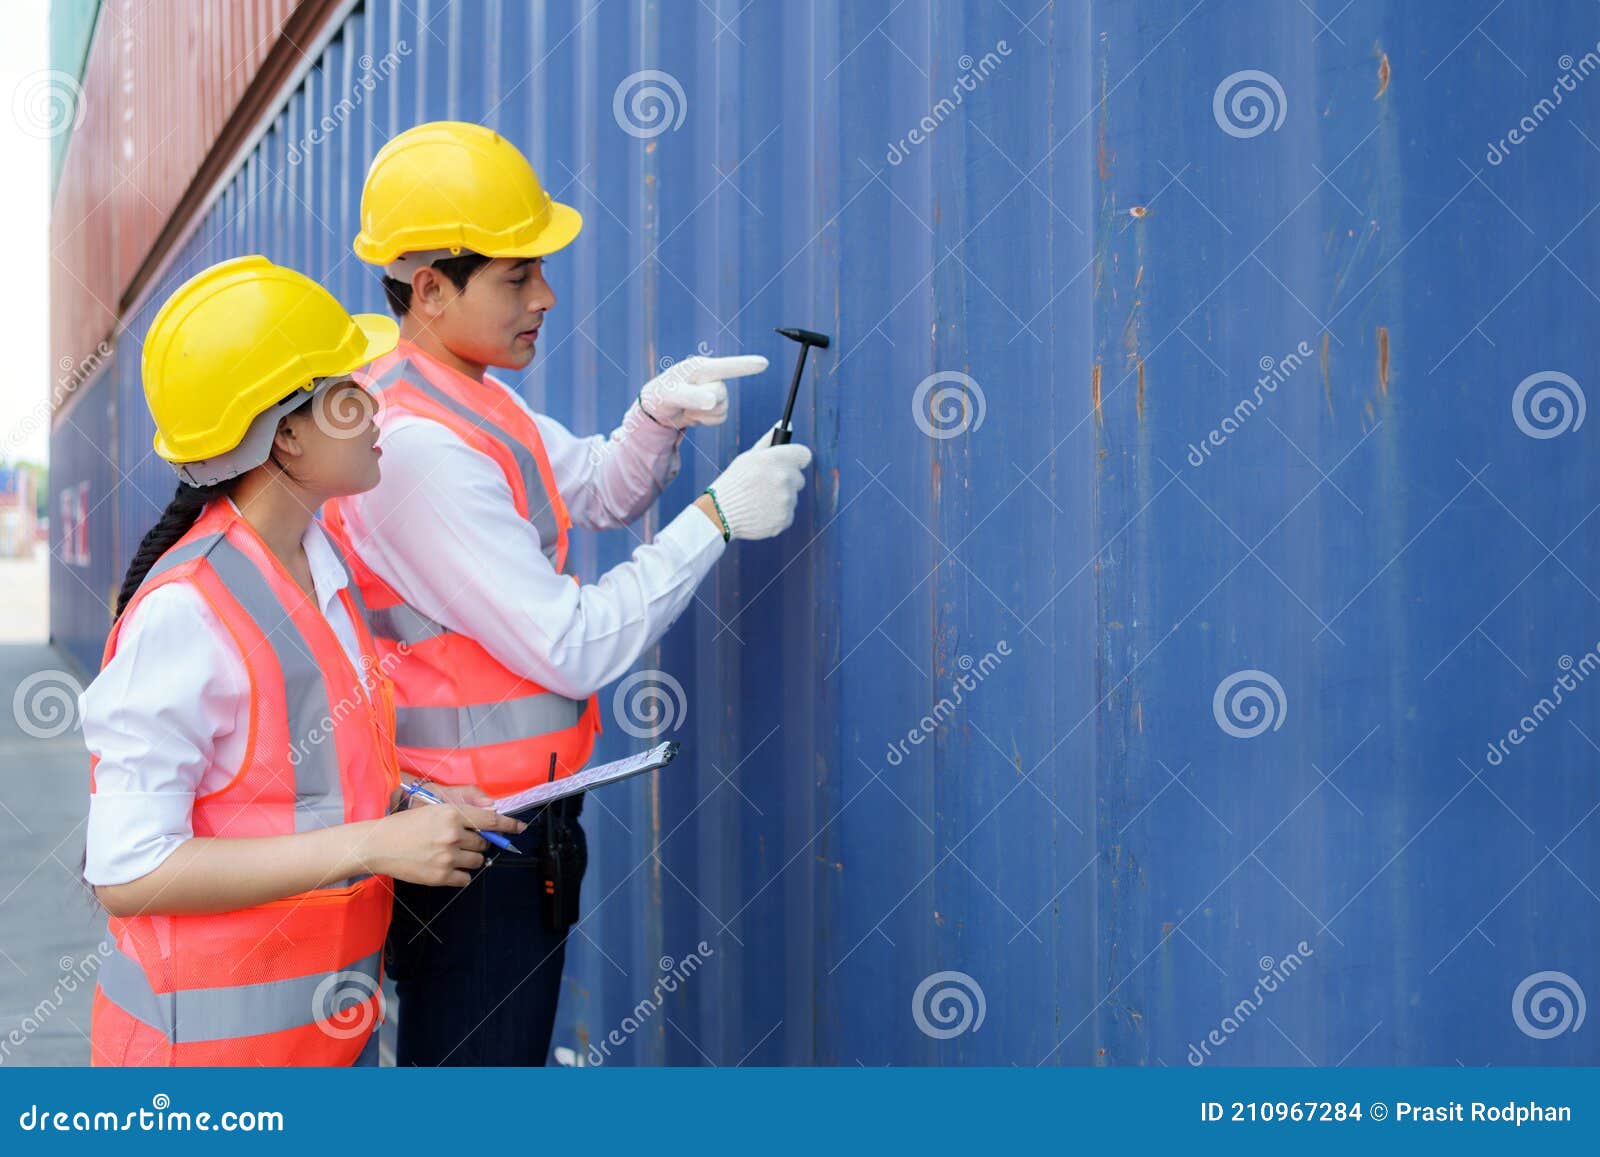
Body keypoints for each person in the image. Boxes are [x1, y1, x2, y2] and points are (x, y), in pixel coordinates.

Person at [321, 121, 814, 1065]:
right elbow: (574, 645)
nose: (545, 296)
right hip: (472, 853)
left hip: (504, 830)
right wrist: (716, 517)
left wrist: (655, 417)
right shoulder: (418, 449)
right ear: (430, 289)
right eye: (517, 276)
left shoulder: (464, 393)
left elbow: (598, 487)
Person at [81, 255, 526, 1066]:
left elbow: (292, 787)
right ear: (286, 434)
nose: (376, 404)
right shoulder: (187, 610)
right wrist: (371, 845)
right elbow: (129, 869)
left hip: (323, 1042)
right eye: (350, 391)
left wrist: (408, 801)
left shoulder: (317, 569)